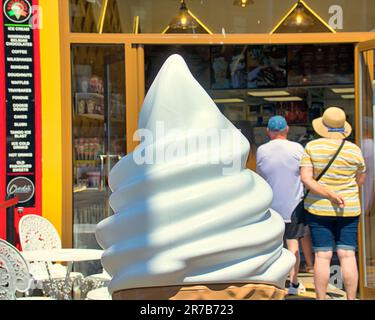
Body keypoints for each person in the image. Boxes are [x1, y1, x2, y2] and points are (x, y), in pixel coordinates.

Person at [300, 107, 366, 300]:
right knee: (347, 255)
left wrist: (328, 194)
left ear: (323, 125)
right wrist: (341, 192)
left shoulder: (312, 147)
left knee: (322, 256)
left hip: (319, 209)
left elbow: (306, 178)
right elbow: (360, 179)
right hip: (349, 208)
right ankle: (351, 298)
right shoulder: (354, 150)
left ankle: (321, 298)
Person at [256, 115, 306, 295]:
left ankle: (274, 282)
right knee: (293, 246)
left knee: (273, 247)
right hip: (294, 205)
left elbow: (261, 175)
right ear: (287, 130)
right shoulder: (297, 148)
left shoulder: (261, 150)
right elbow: (305, 174)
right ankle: (293, 284)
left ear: (268, 131)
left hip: (270, 206)